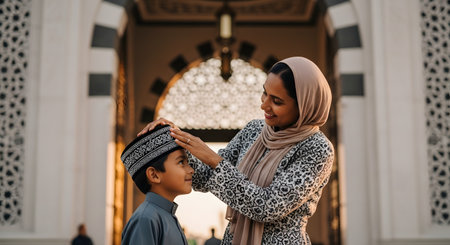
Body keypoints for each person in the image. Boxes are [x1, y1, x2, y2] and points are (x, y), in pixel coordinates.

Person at [139, 56, 334, 244]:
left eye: (277, 101)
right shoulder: (255, 131)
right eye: (265, 93)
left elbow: (267, 207)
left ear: (305, 107)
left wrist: (213, 159)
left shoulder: (317, 149)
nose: (264, 105)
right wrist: (175, 137)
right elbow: (205, 177)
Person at [120, 125, 194, 245]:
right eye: (181, 162)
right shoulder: (146, 219)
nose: (191, 170)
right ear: (154, 175)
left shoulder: (166, 216)